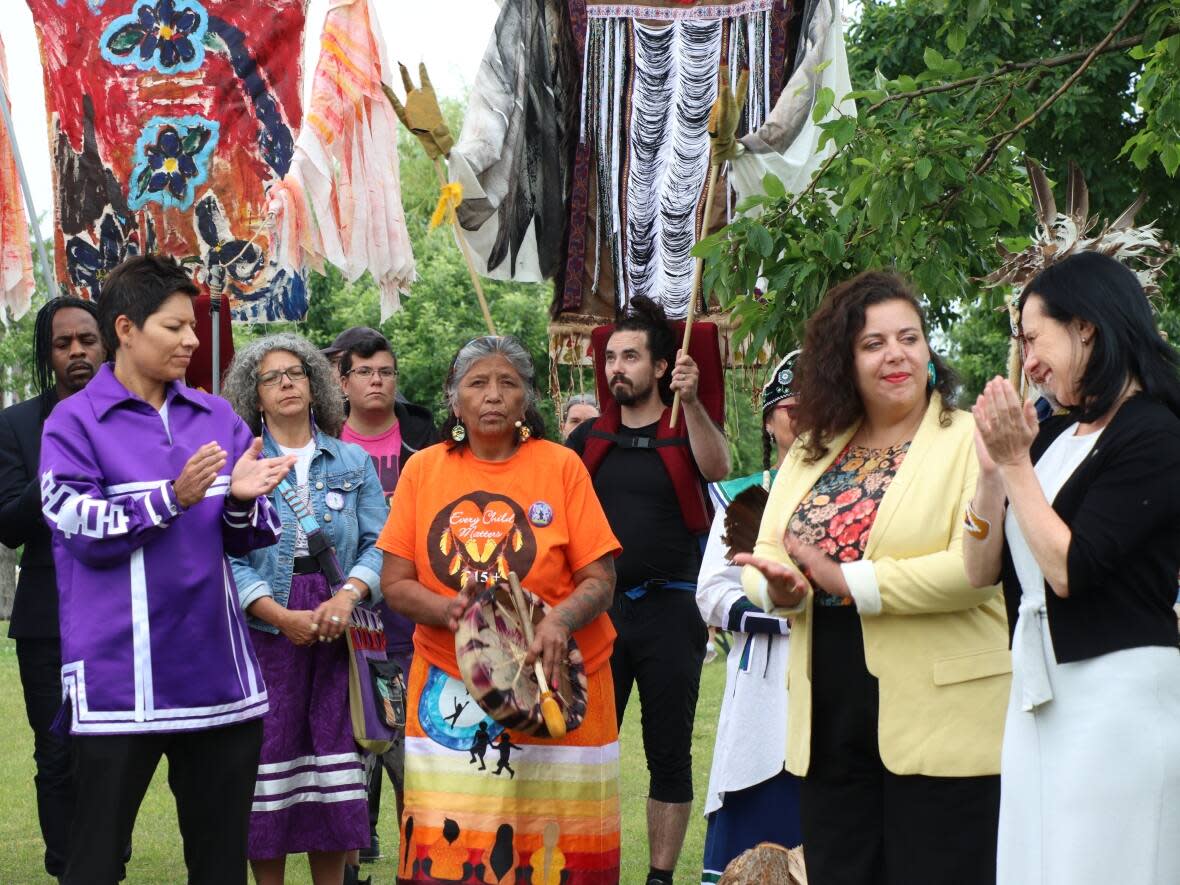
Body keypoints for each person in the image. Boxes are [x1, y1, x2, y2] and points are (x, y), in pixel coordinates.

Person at [737, 270, 1010, 885]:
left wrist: (848, 581)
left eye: (909, 338)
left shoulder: (971, 439)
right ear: (844, 361)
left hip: (943, 716)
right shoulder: (813, 448)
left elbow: (973, 573)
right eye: (873, 343)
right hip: (830, 715)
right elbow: (768, 552)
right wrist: (777, 587)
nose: (896, 355)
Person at [39, 255, 292, 885]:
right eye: (174, 327)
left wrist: (241, 500)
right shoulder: (72, 422)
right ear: (125, 328)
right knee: (94, 861)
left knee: (219, 865)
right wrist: (170, 498)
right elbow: (77, 527)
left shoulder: (215, 417)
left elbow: (257, 537)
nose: (191, 341)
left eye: (192, 328)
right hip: (118, 685)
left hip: (218, 680)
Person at [965, 251, 1180, 885]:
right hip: (1040, 690)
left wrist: (1016, 466)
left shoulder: (1155, 436)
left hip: (1118, 697)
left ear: (1086, 327)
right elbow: (980, 570)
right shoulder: (1057, 435)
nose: (1027, 361)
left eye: (1034, 338)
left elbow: (1070, 568)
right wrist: (989, 472)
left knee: (1099, 864)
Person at [378, 335, 622, 884]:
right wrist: (449, 610)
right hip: (450, 679)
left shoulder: (561, 467)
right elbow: (395, 583)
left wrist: (557, 620)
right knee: (456, 848)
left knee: (559, 853)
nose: (493, 395)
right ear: (453, 399)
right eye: (478, 383)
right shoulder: (423, 472)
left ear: (526, 400)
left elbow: (600, 578)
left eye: (508, 382)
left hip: (558, 682)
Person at [566, 295, 730, 885]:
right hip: (598, 614)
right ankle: (583, 866)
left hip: (670, 610)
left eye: (631, 356)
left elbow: (717, 468)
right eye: (611, 356)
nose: (617, 367)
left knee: (668, 754)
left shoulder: (686, 428)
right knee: (586, 749)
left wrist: (692, 405)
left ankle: (660, 878)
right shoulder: (586, 438)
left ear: (662, 366)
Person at [223, 333, 389, 885]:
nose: (286, 383)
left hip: (338, 621)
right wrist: (276, 614)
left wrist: (348, 596)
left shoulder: (352, 459)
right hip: (266, 623)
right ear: (256, 394)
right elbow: (226, 554)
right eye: (271, 377)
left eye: (295, 372)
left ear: (316, 383)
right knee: (269, 759)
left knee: (333, 758)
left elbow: (380, 544)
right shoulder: (240, 463)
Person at [0, 297, 103, 881]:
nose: (77, 353)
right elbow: (8, 525)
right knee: (58, 753)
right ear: (48, 354)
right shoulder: (17, 426)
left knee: (110, 750)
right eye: (63, 344)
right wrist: (56, 470)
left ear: (106, 344)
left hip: (120, 608)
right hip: (47, 619)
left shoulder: (132, 414)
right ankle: (69, 867)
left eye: (86, 340)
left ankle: (105, 857)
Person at [696, 351, 803, 884]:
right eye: (790, 405)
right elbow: (711, 589)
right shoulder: (738, 495)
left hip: (835, 669)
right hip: (760, 675)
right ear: (768, 418)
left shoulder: (859, 490)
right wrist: (768, 620)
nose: (803, 414)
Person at [337, 328, 437, 863]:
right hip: (343, 623)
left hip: (410, 623)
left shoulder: (426, 443)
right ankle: (356, 857)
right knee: (349, 758)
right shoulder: (323, 444)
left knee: (411, 759)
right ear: (342, 380)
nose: (377, 382)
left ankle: (416, 858)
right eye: (365, 372)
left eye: (386, 372)